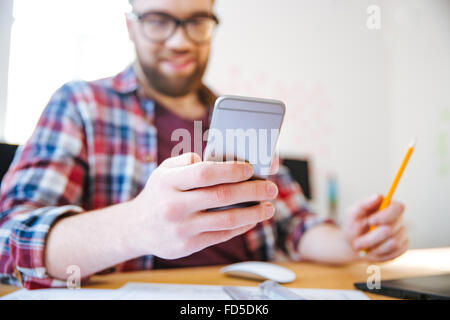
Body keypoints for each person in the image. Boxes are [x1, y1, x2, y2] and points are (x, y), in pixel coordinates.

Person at [0, 0, 408, 290]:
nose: (180, 42)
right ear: (130, 26)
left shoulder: (238, 117)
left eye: (198, 21)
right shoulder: (79, 105)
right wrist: (136, 227)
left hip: (245, 299)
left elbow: (294, 223)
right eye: (159, 20)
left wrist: (352, 242)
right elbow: (9, 240)